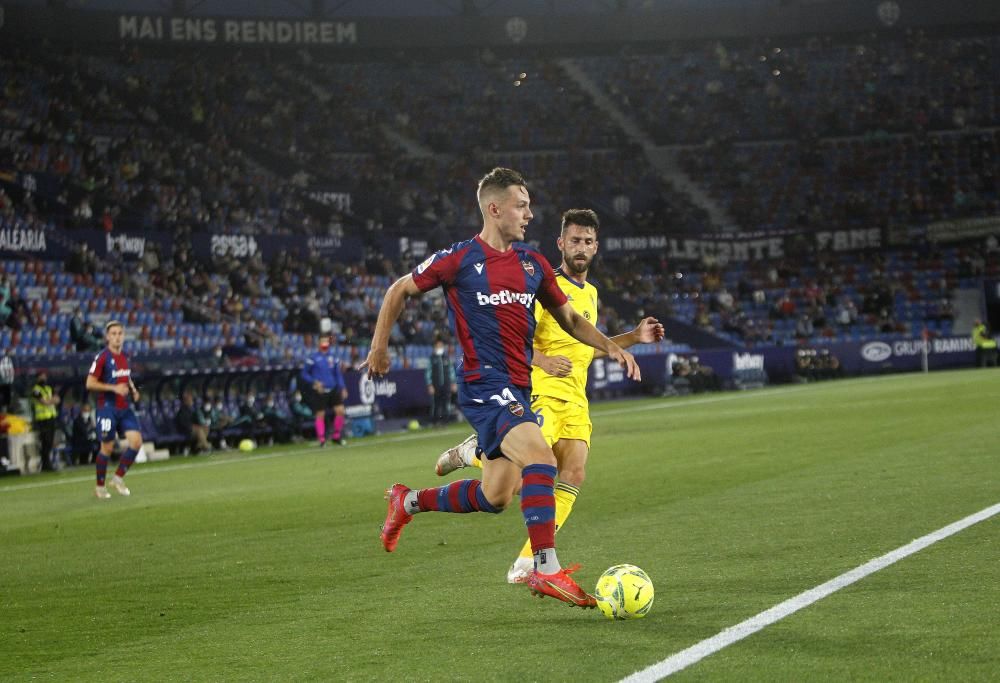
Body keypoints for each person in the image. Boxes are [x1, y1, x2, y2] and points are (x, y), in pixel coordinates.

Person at [362, 168, 641, 608]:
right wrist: (379, 347)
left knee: (496, 496)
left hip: (517, 390)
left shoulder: (532, 264)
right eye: (521, 205)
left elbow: (570, 319)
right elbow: (399, 290)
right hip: (482, 384)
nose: (529, 214)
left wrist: (613, 346)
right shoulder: (458, 260)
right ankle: (544, 568)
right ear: (494, 209)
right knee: (542, 458)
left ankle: (407, 501)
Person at [434, 208, 664, 583]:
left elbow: (584, 348)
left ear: (596, 247)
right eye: (574, 240)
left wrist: (631, 339)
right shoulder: (540, 286)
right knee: (519, 481)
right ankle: (475, 451)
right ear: (560, 243)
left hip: (575, 399)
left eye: (588, 241)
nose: (581, 247)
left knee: (574, 472)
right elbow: (512, 339)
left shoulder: (590, 292)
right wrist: (541, 360)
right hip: (540, 394)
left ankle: (527, 562)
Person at [86, 320, 143, 498]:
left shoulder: (125, 356)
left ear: (124, 336)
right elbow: (90, 383)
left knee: (136, 442)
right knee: (107, 447)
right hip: (107, 407)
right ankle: (100, 487)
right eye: (113, 334)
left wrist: (133, 390)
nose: (117, 337)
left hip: (124, 407)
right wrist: (113, 388)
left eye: (120, 333)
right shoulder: (102, 357)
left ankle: (118, 478)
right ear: (107, 337)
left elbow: (126, 377)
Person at [300, 333, 348, 446]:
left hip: (333, 389)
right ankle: (321, 439)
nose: (325, 344)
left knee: (340, 411)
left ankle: (336, 436)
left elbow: (338, 374)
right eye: (323, 342)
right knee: (320, 414)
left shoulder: (333, 358)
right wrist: (314, 382)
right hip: (320, 391)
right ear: (318, 343)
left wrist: (343, 387)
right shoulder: (313, 358)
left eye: (326, 341)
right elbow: (304, 374)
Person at [31, 371, 60, 472]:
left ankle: (48, 463)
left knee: (50, 442)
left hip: (51, 418)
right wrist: (51, 400)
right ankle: (45, 464)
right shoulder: (36, 390)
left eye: (44, 376)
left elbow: (57, 399)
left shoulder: (48, 388)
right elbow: (44, 402)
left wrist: (49, 400)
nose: (44, 378)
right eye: (42, 376)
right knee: (45, 442)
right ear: (38, 378)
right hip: (42, 419)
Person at [425, 337, 456, 425]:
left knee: (446, 403)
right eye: (438, 346)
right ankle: (435, 421)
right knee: (436, 403)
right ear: (434, 347)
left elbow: (451, 371)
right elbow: (428, 372)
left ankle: (446, 421)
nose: (440, 348)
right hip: (436, 385)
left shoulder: (446, 358)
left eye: (441, 346)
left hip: (446, 384)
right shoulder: (432, 359)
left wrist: (453, 383)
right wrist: (429, 384)